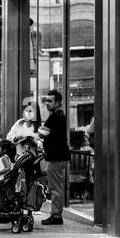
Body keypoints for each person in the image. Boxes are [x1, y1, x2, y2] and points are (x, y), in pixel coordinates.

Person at [37, 89, 70, 225]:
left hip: (56, 157)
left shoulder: (56, 117)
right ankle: (56, 213)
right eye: (46, 101)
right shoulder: (58, 116)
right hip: (57, 156)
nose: (47, 104)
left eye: (50, 101)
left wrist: (39, 130)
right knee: (55, 186)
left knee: (55, 187)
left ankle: (56, 215)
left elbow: (41, 133)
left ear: (58, 102)